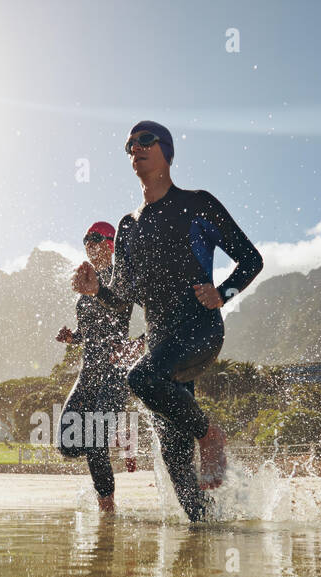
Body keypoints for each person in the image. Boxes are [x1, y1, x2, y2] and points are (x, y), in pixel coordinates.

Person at [71, 120, 263, 521]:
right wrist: (95, 291)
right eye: (129, 145)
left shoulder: (197, 204)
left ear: (167, 151)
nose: (135, 149)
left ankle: (210, 434)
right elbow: (123, 297)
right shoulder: (128, 226)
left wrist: (222, 293)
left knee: (139, 378)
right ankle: (215, 524)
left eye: (145, 141)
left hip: (198, 332)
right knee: (179, 470)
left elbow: (251, 259)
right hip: (162, 352)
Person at [56, 221, 134, 512]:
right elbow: (89, 331)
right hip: (88, 373)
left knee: (93, 439)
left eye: (96, 238)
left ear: (111, 243)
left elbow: (122, 306)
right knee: (67, 441)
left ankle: (107, 511)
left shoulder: (120, 276)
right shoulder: (84, 284)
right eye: (86, 239)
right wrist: (73, 337)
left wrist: (97, 291)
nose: (90, 243)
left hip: (114, 372)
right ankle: (110, 435)